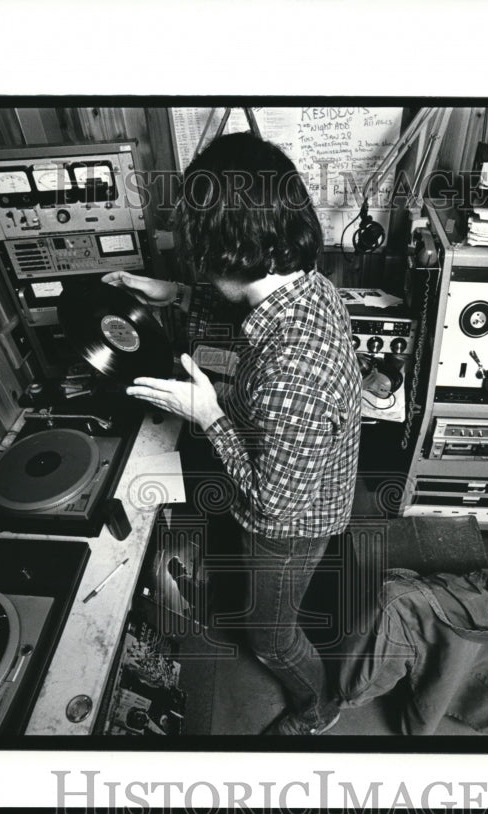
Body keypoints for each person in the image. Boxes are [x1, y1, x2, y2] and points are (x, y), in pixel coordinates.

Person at [102, 132, 362, 735]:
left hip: (289, 525)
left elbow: (272, 502)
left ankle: (318, 708)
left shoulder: (290, 368)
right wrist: (174, 295)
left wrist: (208, 415)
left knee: (269, 636)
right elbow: (239, 298)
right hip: (301, 475)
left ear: (223, 252)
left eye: (197, 257)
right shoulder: (301, 282)